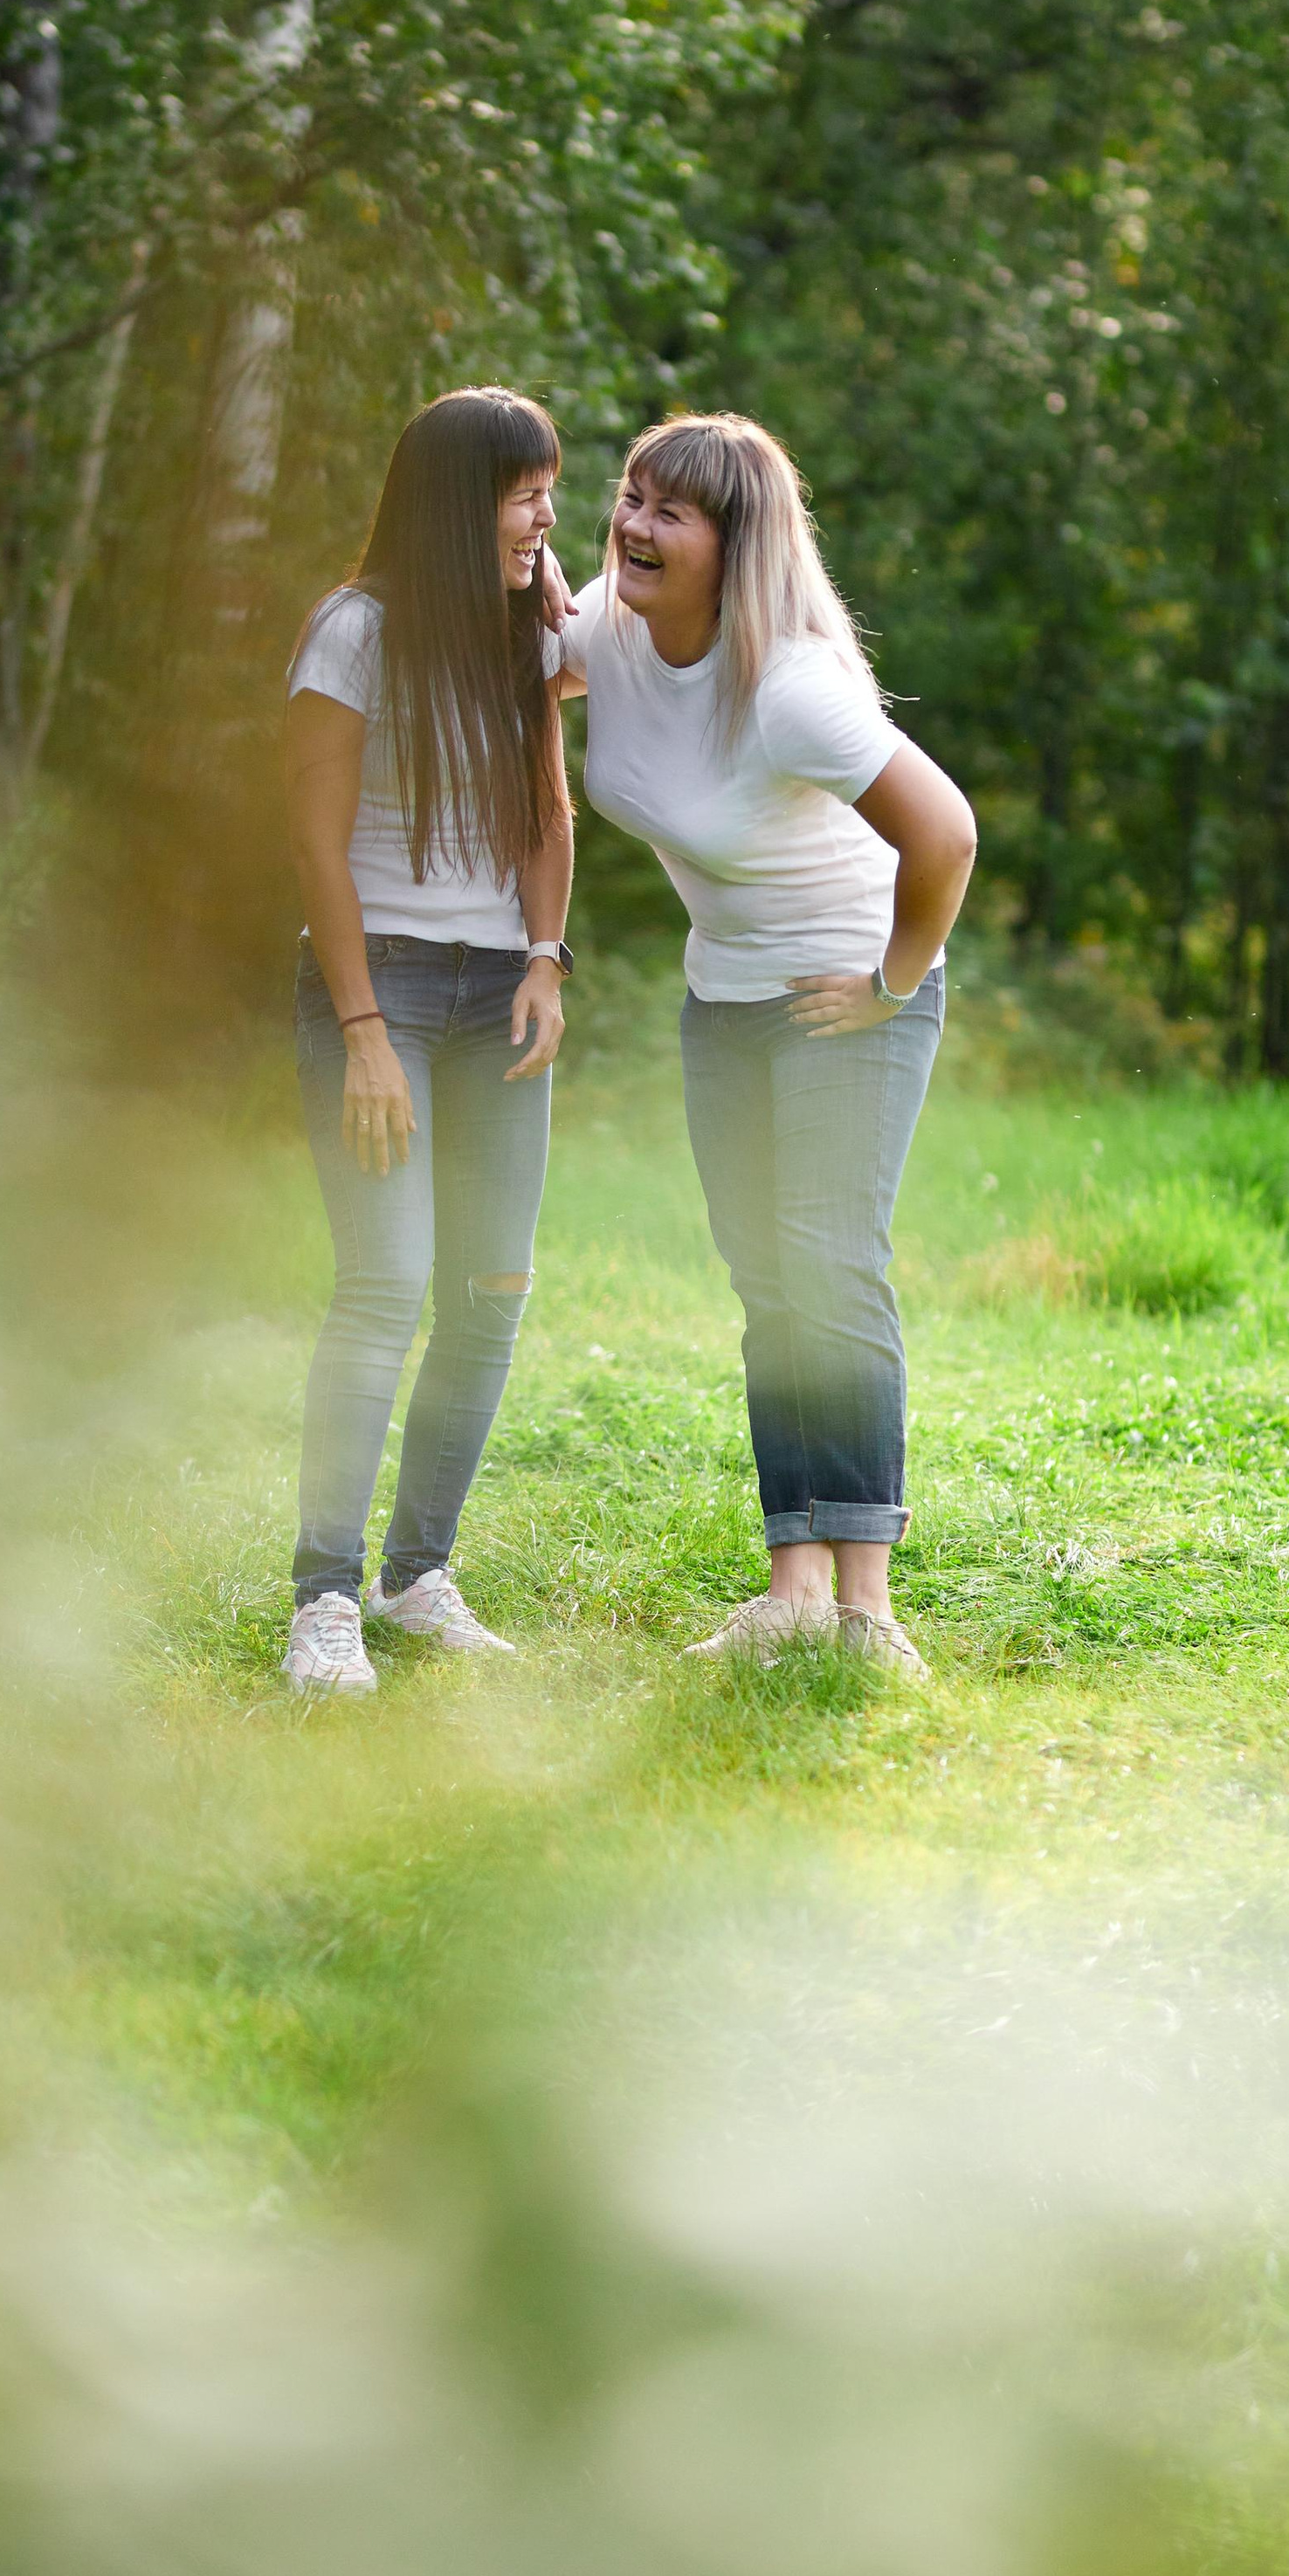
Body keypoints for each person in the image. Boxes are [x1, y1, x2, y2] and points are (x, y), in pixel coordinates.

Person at [556, 412, 975, 1679]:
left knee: (830, 1267)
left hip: (844, 993)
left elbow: (945, 834)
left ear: (733, 549)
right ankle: (792, 1591)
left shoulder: (790, 684)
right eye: (630, 497)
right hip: (723, 994)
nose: (631, 525)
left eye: (667, 513)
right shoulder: (610, 624)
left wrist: (892, 986)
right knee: (767, 1279)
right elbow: (527, 662)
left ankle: (868, 1611)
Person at [281, 386, 576, 1695]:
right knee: (385, 1289)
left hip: (500, 989)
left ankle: (416, 1576)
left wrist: (549, 960)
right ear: (464, 503)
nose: (549, 518)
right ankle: (325, 1600)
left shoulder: (520, 635)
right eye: (527, 495)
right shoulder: (356, 633)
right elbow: (314, 840)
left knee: (492, 1294)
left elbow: (551, 814)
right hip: (383, 986)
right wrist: (360, 1029)